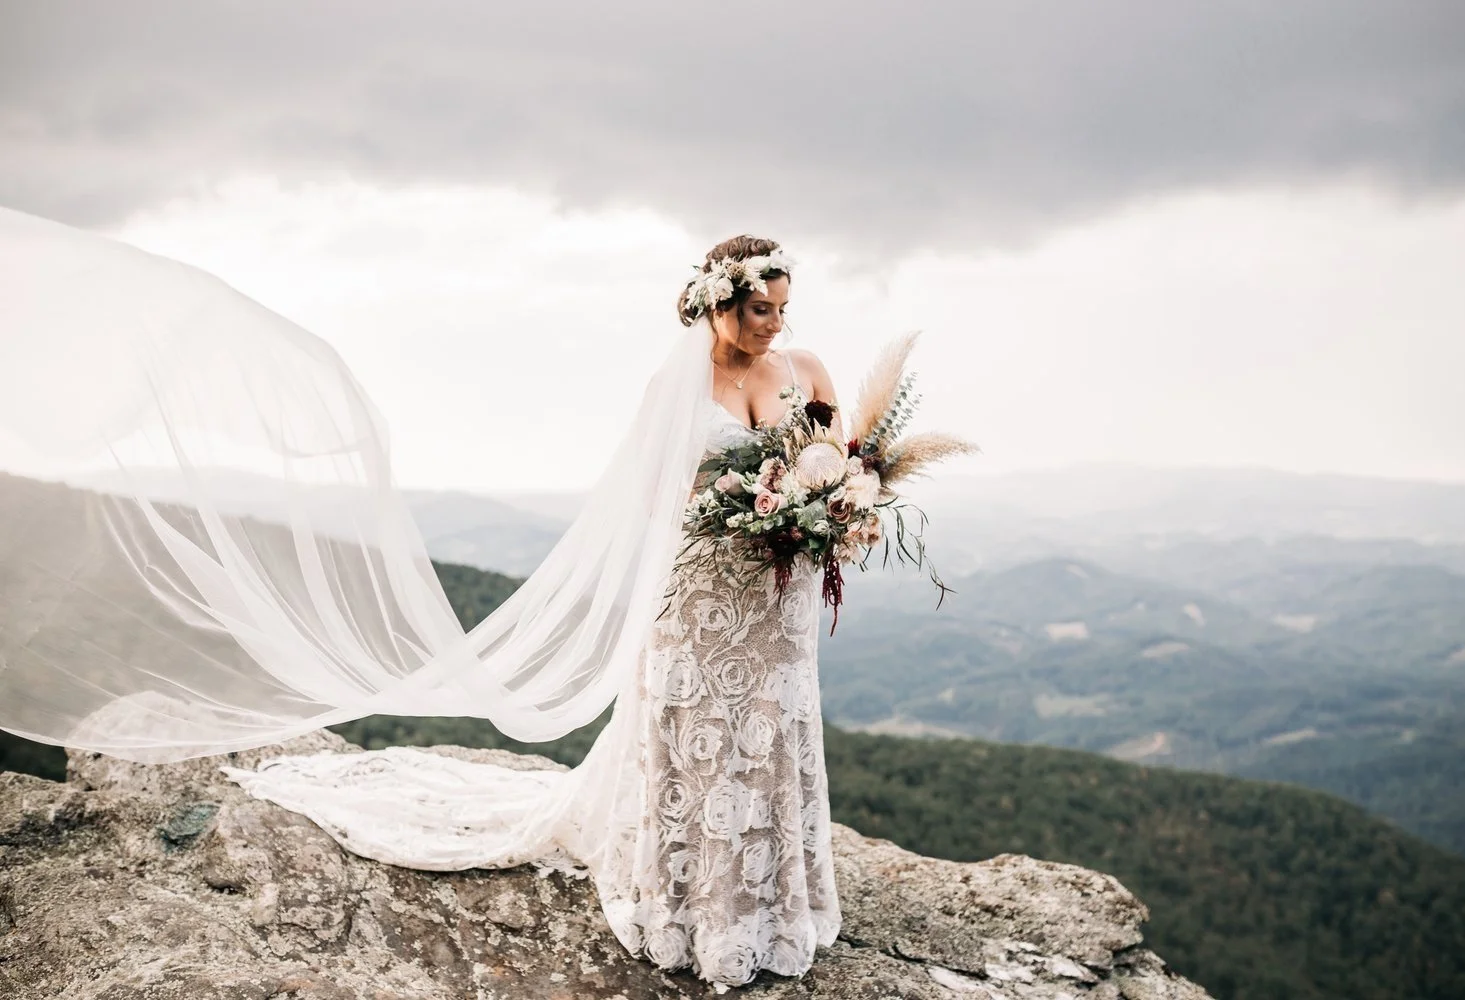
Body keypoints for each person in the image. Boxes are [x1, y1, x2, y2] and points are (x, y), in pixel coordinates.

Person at [0, 212, 840, 989]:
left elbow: (839, 458)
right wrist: (743, 510)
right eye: (762, 309)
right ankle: (696, 899)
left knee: (772, 725)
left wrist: (830, 510)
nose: (776, 325)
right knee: (699, 731)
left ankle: (775, 897)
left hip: (779, 598)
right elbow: (655, 502)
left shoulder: (805, 371)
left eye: (782, 309)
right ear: (718, 306)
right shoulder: (675, 393)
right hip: (699, 591)